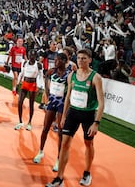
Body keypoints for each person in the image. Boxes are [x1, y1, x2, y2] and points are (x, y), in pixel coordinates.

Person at [46, 48, 105, 187]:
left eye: (84, 58)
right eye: (79, 58)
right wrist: (64, 115)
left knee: (88, 144)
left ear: (90, 60)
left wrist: (96, 122)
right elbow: (68, 96)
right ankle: (59, 178)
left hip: (88, 115)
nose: (80, 61)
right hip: (73, 113)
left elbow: (101, 102)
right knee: (65, 143)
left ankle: (87, 173)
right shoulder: (71, 75)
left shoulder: (96, 77)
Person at [33, 53, 71, 172]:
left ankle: (58, 159)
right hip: (52, 102)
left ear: (64, 61)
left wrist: (67, 106)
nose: (55, 62)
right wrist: (48, 94)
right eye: (55, 60)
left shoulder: (69, 75)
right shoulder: (51, 71)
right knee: (45, 128)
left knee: (60, 132)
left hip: (61, 104)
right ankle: (40, 152)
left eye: (58, 60)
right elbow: (45, 80)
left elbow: (70, 90)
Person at [14, 49, 43, 131]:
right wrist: (17, 84)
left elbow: (41, 77)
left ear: (35, 56)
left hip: (32, 85)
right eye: (30, 55)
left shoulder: (38, 65)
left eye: (33, 55)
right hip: (24, 84)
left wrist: (40, 87)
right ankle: (20, 122)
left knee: (31, 104)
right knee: (19, 103)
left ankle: (29, 122)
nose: (31, 57)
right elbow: (21, 73)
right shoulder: (25, 63)